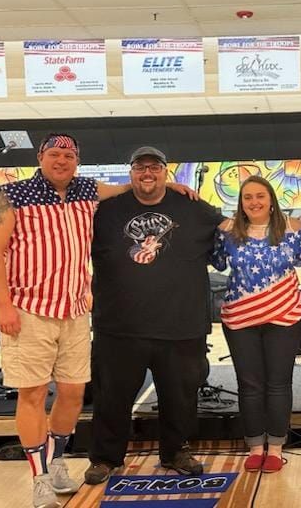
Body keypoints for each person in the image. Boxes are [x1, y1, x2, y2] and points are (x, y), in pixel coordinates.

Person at [0, 135, 193, 508]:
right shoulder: (10, 195)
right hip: (29, 311)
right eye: (54, 155)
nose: (61, 161)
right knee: (32, 394)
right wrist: (3, 304)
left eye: (68, 155)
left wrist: (168, 183)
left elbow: (127, 186)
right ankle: (40, 477)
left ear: (77, 160)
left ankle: (58, 461)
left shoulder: (85, 190)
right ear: (40, 157)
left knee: (73, 394)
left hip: (76, 312)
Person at [84, 146, 223, 484]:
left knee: (180, 398)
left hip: (180, 324)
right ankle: (105, 458)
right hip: (119, 326)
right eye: (140, 167)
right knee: (111, 398)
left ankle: (176, 451)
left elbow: (235, 227)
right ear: (130, 172)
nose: (147, 173)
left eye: (155, 167)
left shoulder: (193, 207)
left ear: (166, 172)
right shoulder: (104, 211)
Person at [211, 175, 301, 473]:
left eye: (260, 196)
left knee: (278, 383)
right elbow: (217, 262)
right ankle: (256, 446)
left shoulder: (291, 230)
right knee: (250, 385)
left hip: (284, 315)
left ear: (271, 199)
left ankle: (276, 448)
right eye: (248, 197)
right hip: (240, 318)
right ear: (241, 203)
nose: (254, 202)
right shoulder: (228, 232)